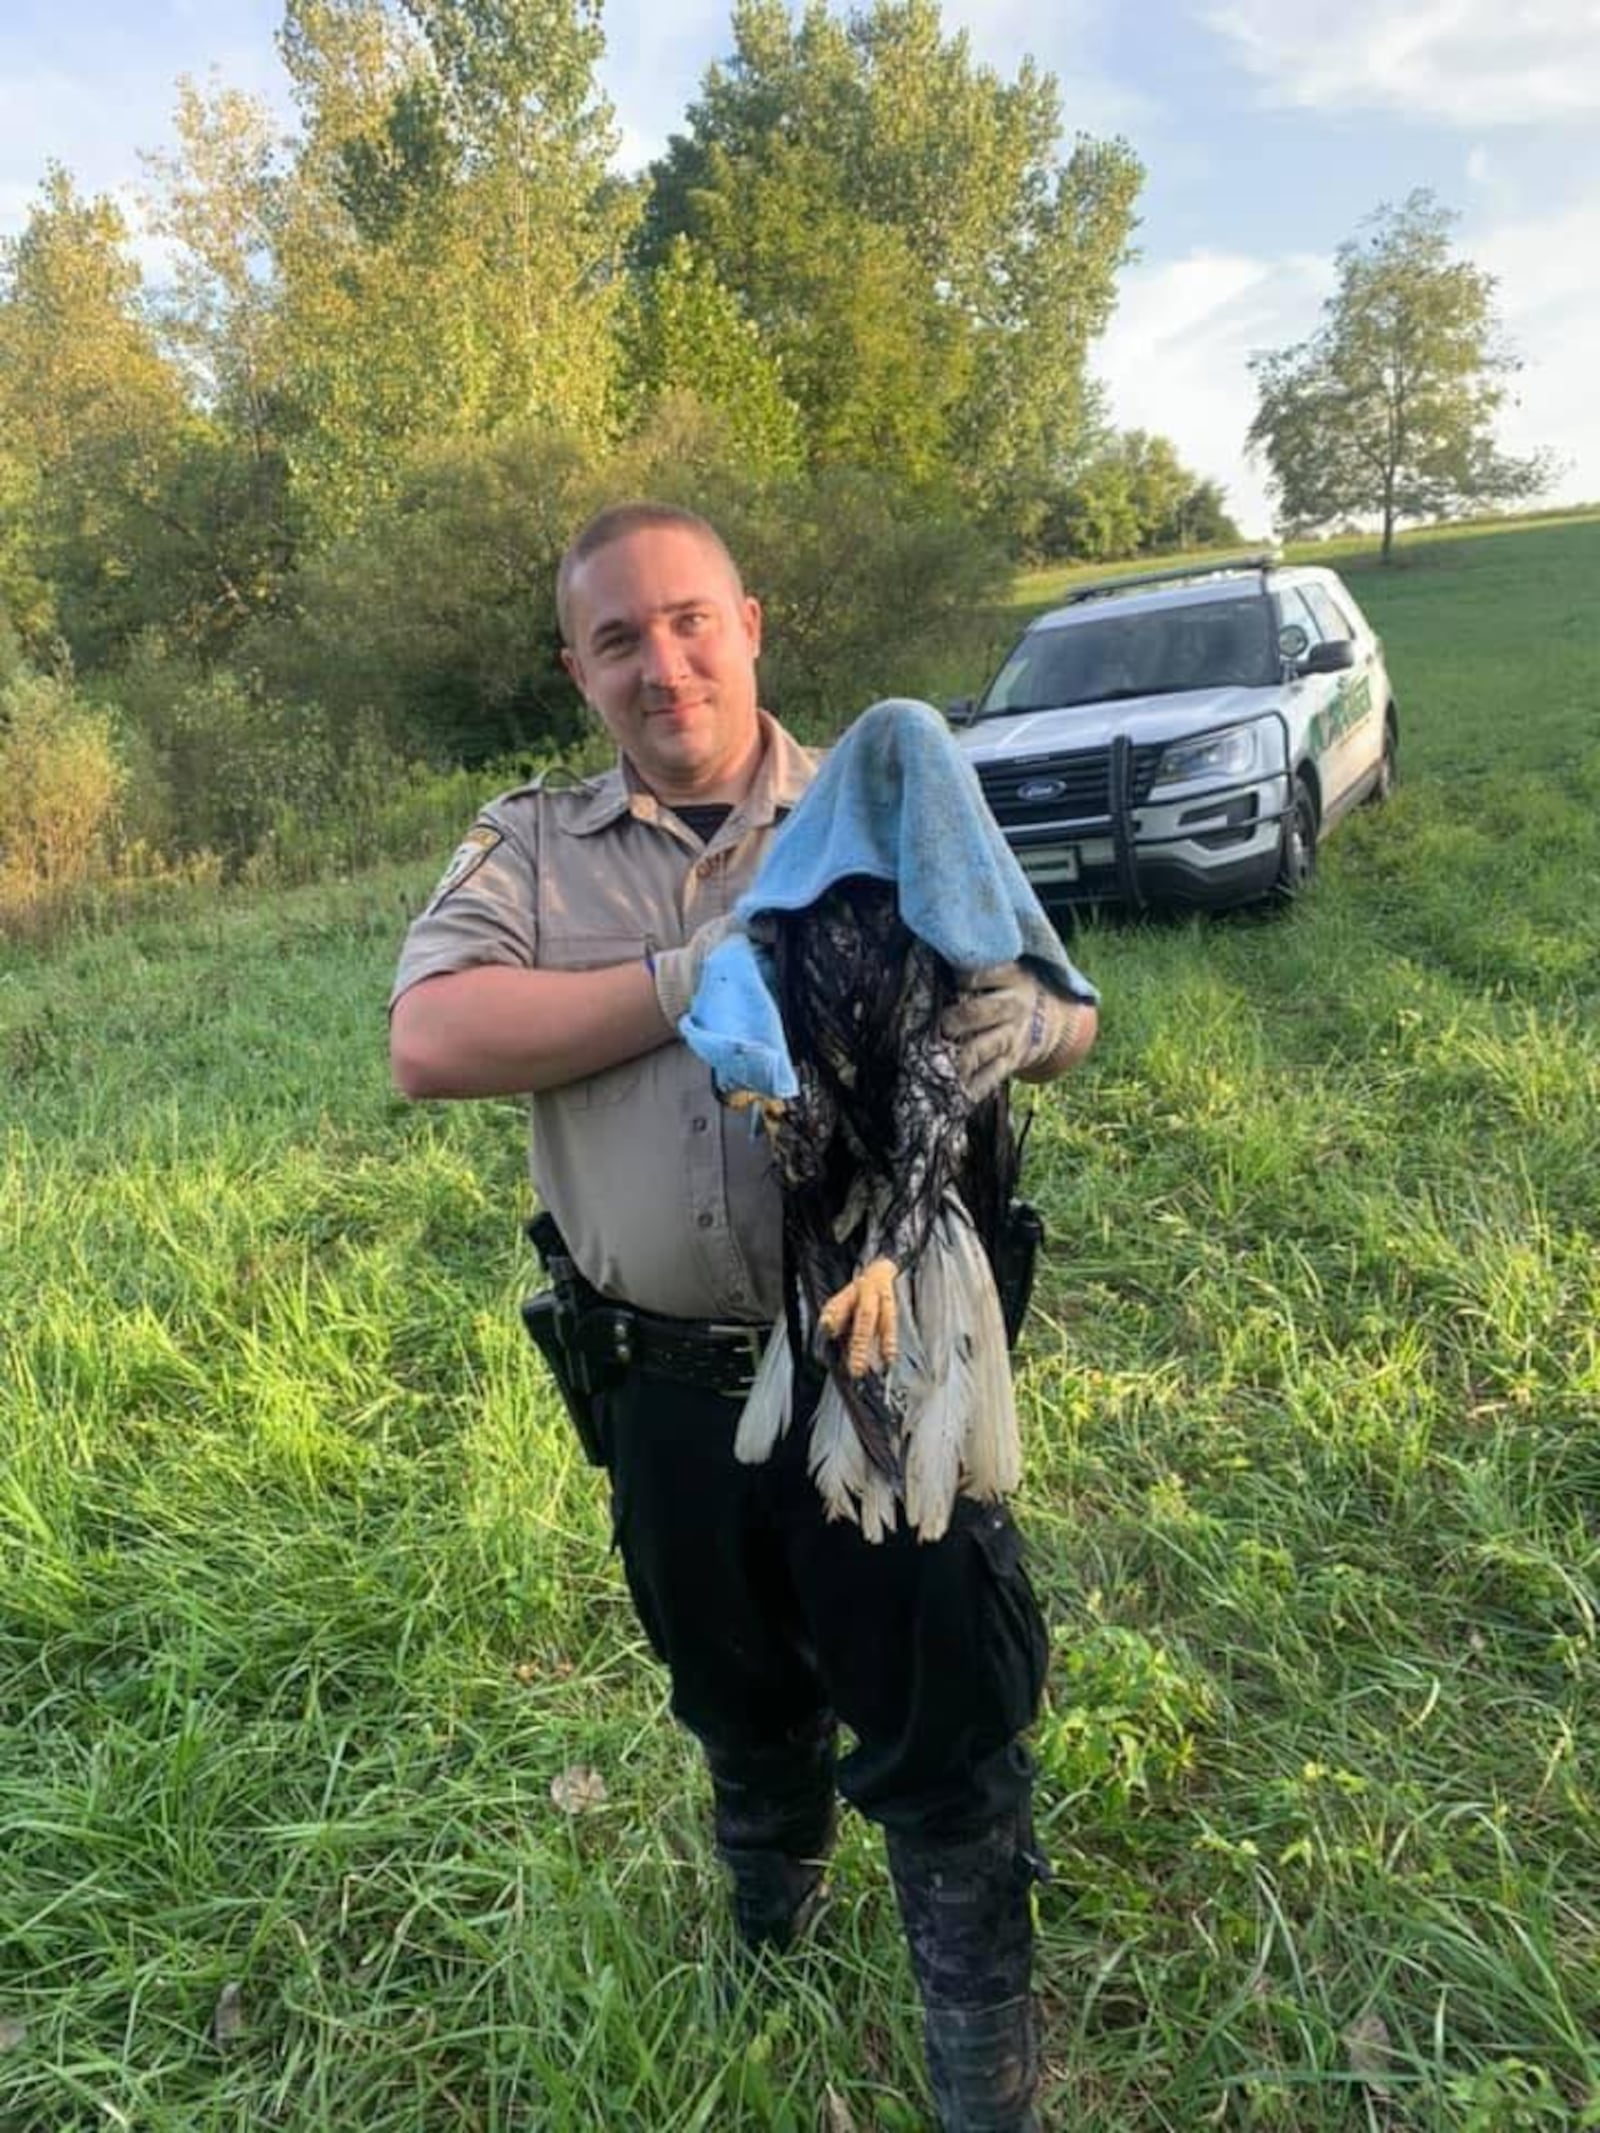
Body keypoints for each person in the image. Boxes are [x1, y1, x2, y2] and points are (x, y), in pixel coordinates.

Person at [389, 502, 1099, 2132]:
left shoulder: (894, 788)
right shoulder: (533, 847)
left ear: (752, 621)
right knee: (734, 1690)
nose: (663, 661)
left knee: (942, 1700)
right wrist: (688, 968)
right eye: (619, 637)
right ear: (577, 666)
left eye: (690, 618)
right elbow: (429, 1038)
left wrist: (1025, 1030)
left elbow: (1060, 998)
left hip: (882, 1347)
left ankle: (981, 2048)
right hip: (660, 1377)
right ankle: (770, 1928)